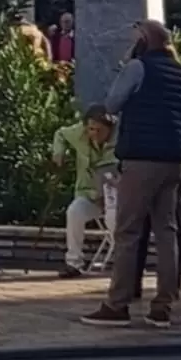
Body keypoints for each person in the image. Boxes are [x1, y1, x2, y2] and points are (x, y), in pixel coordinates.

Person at [83, 20, 181, 329]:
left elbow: (112, 104)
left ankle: (117, 304)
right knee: (166, 231)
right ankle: (164, 305)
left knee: (128, 231)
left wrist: (124, 70)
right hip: (174, 160)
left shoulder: (138, 67)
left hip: (141, 158)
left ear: (144, 42)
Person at [50, 106, 118, 278]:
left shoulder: (122, 136)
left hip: (114, 195)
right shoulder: (79, 133)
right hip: (88, 193)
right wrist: (58, 152)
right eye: (90, 128)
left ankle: (122, 263)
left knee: (113, 219)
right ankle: (74, 263)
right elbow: (60, 133)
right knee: (74, 212)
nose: (93, 133)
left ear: (109, 128)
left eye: (99, 130)